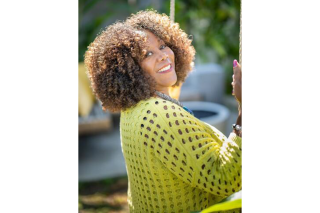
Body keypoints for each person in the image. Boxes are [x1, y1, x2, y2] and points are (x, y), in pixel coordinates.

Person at [85, 9, 242, 213]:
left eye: (163, 46)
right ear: (130, 68)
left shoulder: (135, 107)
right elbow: (225, 179)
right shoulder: (161, 115)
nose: (163, 56)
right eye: (147, 54)